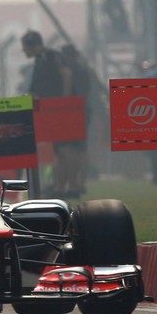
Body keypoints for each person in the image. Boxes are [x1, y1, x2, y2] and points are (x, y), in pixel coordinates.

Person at [21, 29, 72, 195]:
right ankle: (58, 185)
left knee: (62, 149)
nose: (24, 51)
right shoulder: (39, 60)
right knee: (56, 149)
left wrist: (63, 101)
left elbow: (66, 74)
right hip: (46, 109)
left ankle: (61, 185)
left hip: (54, 109)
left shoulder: (50, 56)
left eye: (25, 47)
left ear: (32, 45)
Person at [56, 44, 96, 199]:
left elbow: (67, 92)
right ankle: (81, 183)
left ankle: (72, 184)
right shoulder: (84, 68)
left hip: (72, 110)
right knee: (81, 149)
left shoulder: (69, 71)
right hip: (84, 109)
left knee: (69, 148)